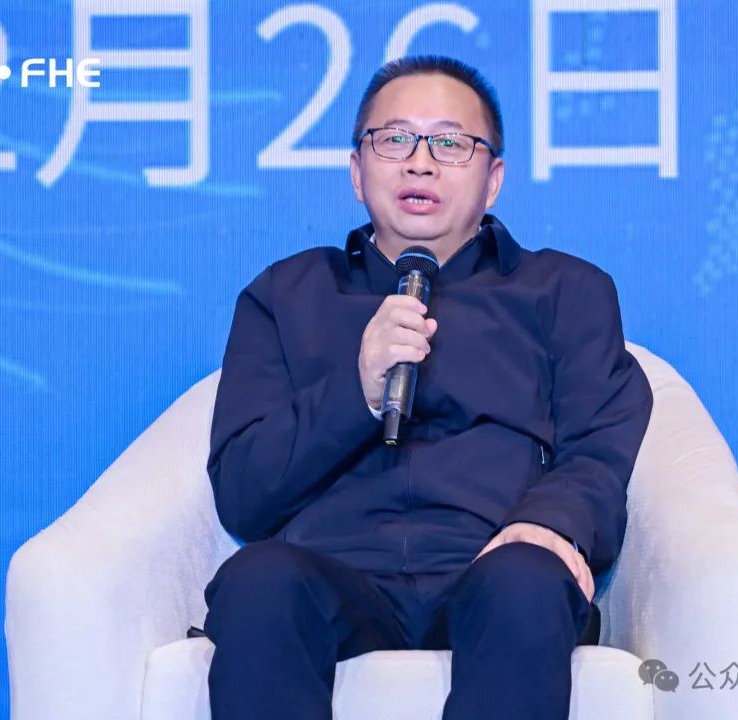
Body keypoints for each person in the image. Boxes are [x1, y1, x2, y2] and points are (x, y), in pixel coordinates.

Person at [203, 55, 653, 720]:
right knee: (257, 582)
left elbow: (600, 447)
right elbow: (243, 492)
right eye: (394, 140)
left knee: (525, 581)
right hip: (332, 577)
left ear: (493, 179)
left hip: (493, 566)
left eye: (450, 142)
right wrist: (356, 390)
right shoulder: (285, 295)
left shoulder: (565, 291)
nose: (420, 163)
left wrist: (547, 523)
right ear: (356, 170)